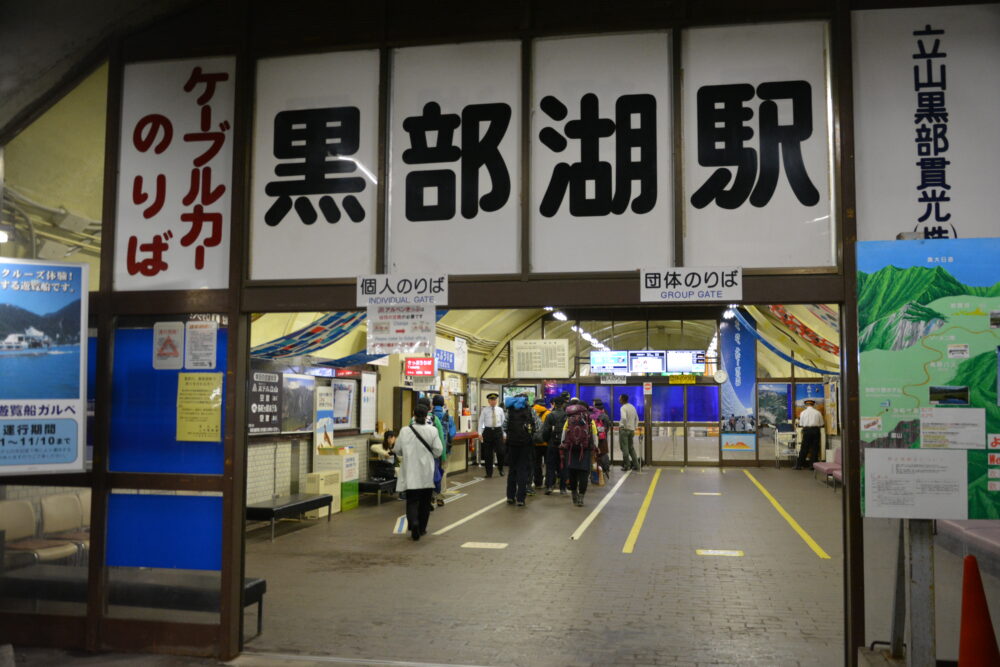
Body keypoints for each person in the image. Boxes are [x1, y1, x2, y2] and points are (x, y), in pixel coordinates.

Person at [395, 403, 442, 541]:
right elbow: (438, 450)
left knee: (412, 501)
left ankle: (413, 523)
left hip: (410, 472)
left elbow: (397, 449)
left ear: (414, 416)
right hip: (426, 472)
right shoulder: (432, 430)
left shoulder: (405, 431)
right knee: (425, 502)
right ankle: (422, 528)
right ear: (427, 415)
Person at [504, 394, 541, 506]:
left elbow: (504, 426)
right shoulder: (530, 410)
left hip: (512, 444)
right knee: (523, 470)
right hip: (526, 444)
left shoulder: (509, 410)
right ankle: (521, 498)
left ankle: (510, 497)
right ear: (526, 400)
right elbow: (539, 426)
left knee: (512, 470)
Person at [560, 398, 597, 506]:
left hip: (571, 451)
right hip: (584, 451)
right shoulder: (589, 420)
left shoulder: (569, 419)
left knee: (572, 473)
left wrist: (563, 445)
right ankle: (581, 497)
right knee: (584, 475)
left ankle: (574, 494)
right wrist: (594, 448)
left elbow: (564, 434)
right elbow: (594, 435)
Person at [541, 395, 569, 495]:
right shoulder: (567, 416)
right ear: (563, 404)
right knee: (563, 466)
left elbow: (545, 431)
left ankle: (549, 486)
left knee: (550, 466)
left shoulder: (550, 415)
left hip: (552, 444)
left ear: (554, 404)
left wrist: (547, 441)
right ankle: (563, 488)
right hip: (564, 445)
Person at [431, 394, 456, 506]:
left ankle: (432, 495)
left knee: (432, 471)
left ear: (432, 404)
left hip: (431, 450)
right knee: (443, 472)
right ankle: (440, 496)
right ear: (443, 404)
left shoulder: (429, 416)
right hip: (445, 449)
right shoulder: (448, 417)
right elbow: (453, 433)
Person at [478, 393, 505, 477]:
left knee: (500, 452)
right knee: (488, 453)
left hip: (498, 431)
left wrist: (504, 433)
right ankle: (489, 473)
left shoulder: (500, 410)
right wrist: (479, 433)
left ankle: (501, 468)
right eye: (491, 400)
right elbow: (480, 422)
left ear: (496, 401)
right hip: (488, 431)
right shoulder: (485, 410)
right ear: (489, 401)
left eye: (495, 400)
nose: (493, 401)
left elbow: (503, 422)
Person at [794, 399, 825, 470]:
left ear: (806, 405)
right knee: (815, 448)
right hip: (815, 430)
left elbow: (801, 424)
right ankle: (812, 466)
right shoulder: (818, 413)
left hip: (807, 431)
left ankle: (799, 465)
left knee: (804, 448)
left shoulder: (803, 413)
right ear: (813, 404)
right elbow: (821, 424)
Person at [530, 398, 551, 490]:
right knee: (548, 463)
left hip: (535, 443)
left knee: (536, 464)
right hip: (546, 443)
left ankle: (538, 482)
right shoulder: (549, 413)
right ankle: (548, 483)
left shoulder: (531, 413)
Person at [591, 398, 612, 480]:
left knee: (595, 454)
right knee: (603, 453)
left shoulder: (593, 415)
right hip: (603, 437)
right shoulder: (605, 415)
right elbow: (608, 426)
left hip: (594, 437)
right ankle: (605, 468)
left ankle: (596, 470)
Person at [618, 393, 639, 471]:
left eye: (619, 398)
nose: (619, 400)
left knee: (624, 448)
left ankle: (627, 465)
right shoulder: (632, 407)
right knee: (631, 448)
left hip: (624, 430)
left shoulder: (623, 407)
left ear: (622, 399)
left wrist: (625, 426)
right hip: (632, 430)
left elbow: (623, 418)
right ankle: (636, 465)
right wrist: (635, 427)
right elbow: (637, 418)